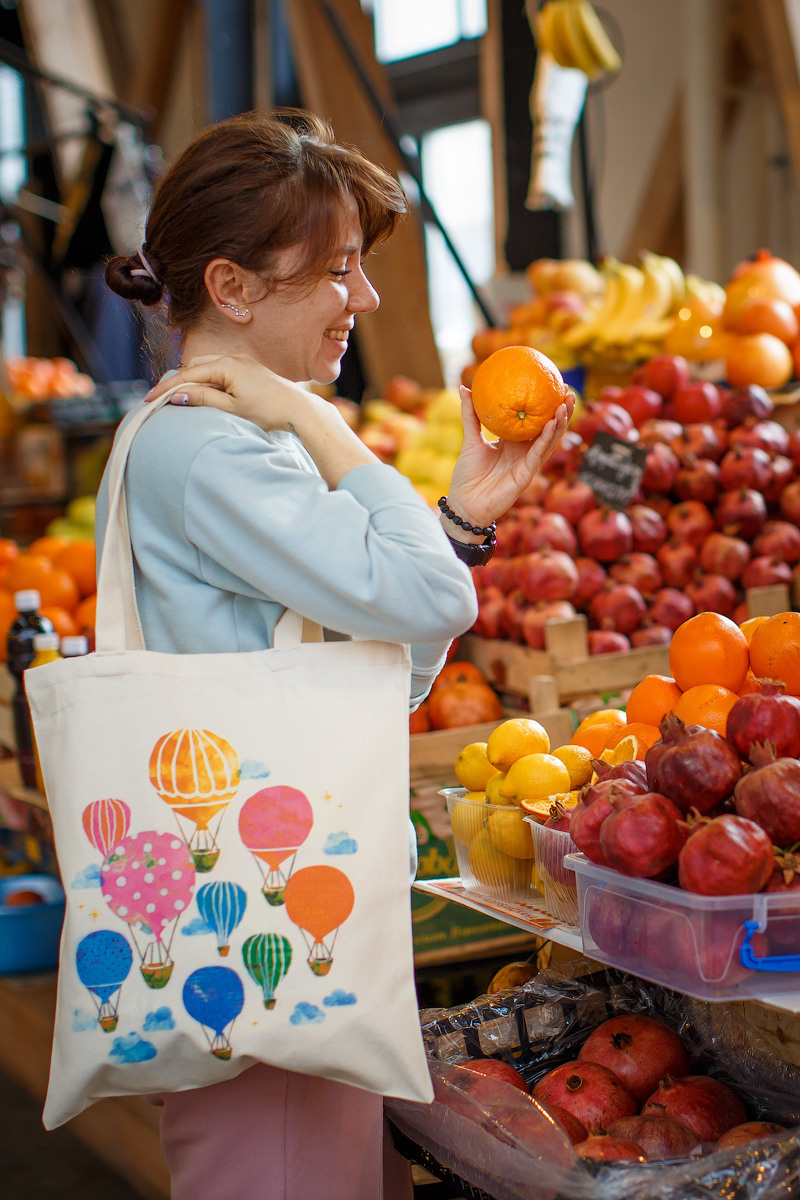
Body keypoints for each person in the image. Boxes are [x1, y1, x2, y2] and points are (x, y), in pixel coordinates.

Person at [100, 108, 572, 1200]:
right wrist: (332, 430)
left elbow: (388, 666)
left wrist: (453, 520)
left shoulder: (227, 439)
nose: (362, 300)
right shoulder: (214, 446)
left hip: (279, 914)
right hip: (261, 929)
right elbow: (420, 599)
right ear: (231, 288)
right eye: (338, 271)